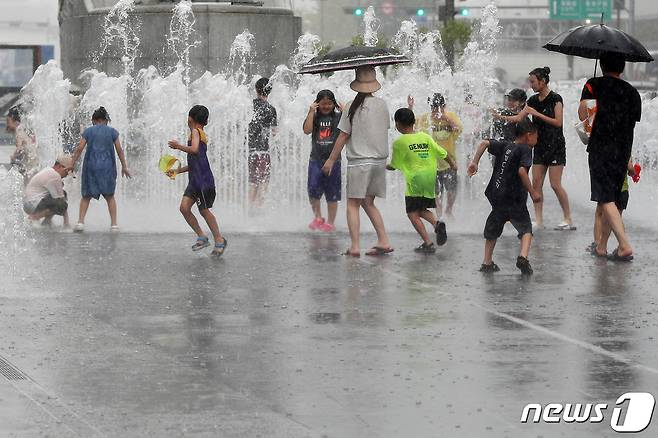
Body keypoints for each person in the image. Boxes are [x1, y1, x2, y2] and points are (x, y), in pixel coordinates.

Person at [322, 66, 393, 257]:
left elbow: (343, 136)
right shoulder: (382, 104)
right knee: (368, 202)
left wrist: (330, 160)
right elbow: (380, 128)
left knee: (353, 204)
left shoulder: (351, 107)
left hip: (360, 162)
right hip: (379, 161)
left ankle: (354, 246)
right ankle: (384, 240)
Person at [579, 52, 641, 261]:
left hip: (600, 149)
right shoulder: (633, 93)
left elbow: (584, 116)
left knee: (605, 198)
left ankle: (624, 245)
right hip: (622, 152)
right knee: (613, 198)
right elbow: (630, 126)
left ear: (602, 65)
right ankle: (602, 247)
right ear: (622, 68)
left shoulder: (592, 85)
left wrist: (591, 95)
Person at [496, 67, 573, 230]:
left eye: (533, 82)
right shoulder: (532, 101)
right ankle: (539, 220)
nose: (530, 85)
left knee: (555, 184)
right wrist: (500, 116)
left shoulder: (555, 99)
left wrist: (536, 114)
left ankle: (568, 218)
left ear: (543, 81)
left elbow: (558, 122)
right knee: (536, 184)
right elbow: (518, 117)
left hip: (556, 146)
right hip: (539, 146)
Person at [467, 119, 542, 275]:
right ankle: (523, 256)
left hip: (497, 196)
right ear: (529, 135)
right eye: (536, 136)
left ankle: (487, 262)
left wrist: (475, 162)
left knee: (493, 228)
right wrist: (533, 192)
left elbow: (484, 143)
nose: (537, 139)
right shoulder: (526, 149)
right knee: (526, 229)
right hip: (515, 198)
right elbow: (522, 171)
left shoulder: (505, 145)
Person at [387, 108, 457, 253]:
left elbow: (394, 165)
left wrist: (385, 166)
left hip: (415, 181)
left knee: (412, 213)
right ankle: (437, 224)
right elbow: (442, 153)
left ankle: (428, 242)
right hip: (429, 179)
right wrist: (452, 164)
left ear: (398, 124)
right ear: (413, 122)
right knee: (421, 209)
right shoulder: (425, 137)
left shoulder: (399, 142)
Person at [168, 105, 227, 256]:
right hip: (195, 180)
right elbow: (196, 160)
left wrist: (177, 146)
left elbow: (194, 150)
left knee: (204, 211)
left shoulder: (195, 132)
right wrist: (177, 171)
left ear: (190, 118)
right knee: (184, 208)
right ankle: (202, 236)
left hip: (202, 180)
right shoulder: (197, 133)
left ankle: (219, 240)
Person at [70, 106, 131, 232]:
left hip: (91, 166)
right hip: (107, 167)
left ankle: (80, 222)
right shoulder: (112, 132)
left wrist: (72, 163)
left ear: (94, 120)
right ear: (106, 120)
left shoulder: (88, 131)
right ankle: (114, 224)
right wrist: (124, 166)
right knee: (109, 196)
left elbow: (79, 148)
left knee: (86, 196)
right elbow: (119, 150)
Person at [409, 93, 462, 220]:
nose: (435, 110)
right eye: (433, 107)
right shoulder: (426, 119)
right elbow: (411, 124)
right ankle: (439, 216)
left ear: (444, 106)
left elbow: (458, 129)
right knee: (436, 192)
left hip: (449, 161)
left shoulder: (450, 116)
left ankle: (448, 210)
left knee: (451, 189)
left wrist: (445, 118)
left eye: (438, 107)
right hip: (432, 163)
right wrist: (410, 108)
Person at [302, 89, 342, 232]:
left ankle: (330, 222)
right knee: (312, 189)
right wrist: (311, 111)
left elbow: (349, 130)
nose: (326, 107)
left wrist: (344, 112)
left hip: (334, 161)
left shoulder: (338, 117)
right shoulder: (315, 116)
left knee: (332, 193)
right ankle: (318, 217)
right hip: (316, 159)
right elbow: (306, 130)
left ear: (334, 104)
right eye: (323, 104)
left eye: (329, 104)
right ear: (317, 104)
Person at [589, 160, 636, 258]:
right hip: (623, 190)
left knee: (600, 213)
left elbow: (629, 165)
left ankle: (598, 244)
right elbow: (630, 168)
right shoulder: (625, 147)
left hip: (612, 187)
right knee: (616, 218)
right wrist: (633, 172)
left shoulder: (614, 149)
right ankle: (613, 245)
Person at [248, 77, 278, 209]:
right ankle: (259, 209)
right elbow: (274, 132)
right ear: (269, 91)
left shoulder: (250, 105)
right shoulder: (271, 109)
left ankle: (250, 208)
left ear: (256, 90)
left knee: (253, 181)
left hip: (251, 152)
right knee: (264, 181)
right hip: (263, 152)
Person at [23, 154, 73, 227]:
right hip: (32, 204)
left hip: (27, 204)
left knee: (55, 198)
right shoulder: (55, 176)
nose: (67, 175)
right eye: (67, 172)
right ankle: (34, 217)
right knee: (60, 202)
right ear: (60, 166)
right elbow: (62, 202)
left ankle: (46, 222)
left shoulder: (48, 170)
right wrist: (67, 224)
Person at [6, 107, 39, 183]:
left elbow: (20, 148)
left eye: (8, 121)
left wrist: (14, 156)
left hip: (31, 161)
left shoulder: (19, 130)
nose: (7, 124)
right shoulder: (24, 128)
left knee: (28, 183)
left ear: (15, 121)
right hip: (34, 157)